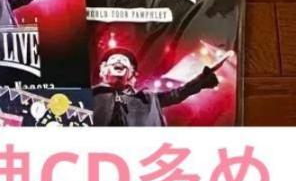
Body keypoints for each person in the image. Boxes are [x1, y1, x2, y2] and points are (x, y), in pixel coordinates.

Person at [92, 45, 230, 127]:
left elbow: (178, 94)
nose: (119, 60)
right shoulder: (90, 96)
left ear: (131, 73)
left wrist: (203, 77)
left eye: (124, 60)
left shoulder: (147, 99)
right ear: (104, 69)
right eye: (113, 60)